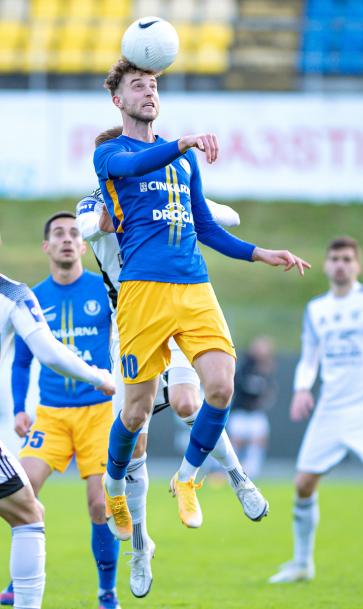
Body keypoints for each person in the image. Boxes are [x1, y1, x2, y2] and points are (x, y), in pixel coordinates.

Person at [93, 58, 310, 542]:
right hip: (143, 292)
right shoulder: (110, 154)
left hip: (194, 286)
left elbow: (206, 227)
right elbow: (133, 165)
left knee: (221, 387)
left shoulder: (184, 161)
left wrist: (260, 253)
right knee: (135, 413)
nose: (149, 92)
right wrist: (182, 142)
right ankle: (114, 485)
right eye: (137, 85)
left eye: (153, 84)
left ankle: (188, 477)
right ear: (118, 100)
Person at [76, 165, 270, 598]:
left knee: (188, 401)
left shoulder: (161, 193)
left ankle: (238, 478)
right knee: (135, 435)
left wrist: (192, 208)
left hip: (175, 309)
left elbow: (228, 216)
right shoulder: (94, 201)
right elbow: (87, 225)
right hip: (130, 321)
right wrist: (113, 217)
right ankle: (140, 548)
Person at [269, 236, 363, 589]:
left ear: (357, 265)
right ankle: (302, 564)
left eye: (347, 259)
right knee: (303, 484)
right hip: (330, 408)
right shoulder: (316, 309)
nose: (341, 265)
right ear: (327, 265)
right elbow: (309, 356)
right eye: (335, 259)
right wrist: (302, 388)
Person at [1, 213, 121, 609]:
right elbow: (22, 362)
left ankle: (107, 592)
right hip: (51, 414)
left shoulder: (104, 289)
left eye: (73, 234)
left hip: (98, 413)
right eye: (58, 234)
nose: (67, 239)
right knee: (22, 488)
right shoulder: (30, 296)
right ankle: (20, 581)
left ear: (84, 246)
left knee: (99, 503)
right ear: (46, 247)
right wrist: (21, 408)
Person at [228, 336, 275, 479]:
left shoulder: (267, 368)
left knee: (259, 439)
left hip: (256, 413)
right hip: (240, 412)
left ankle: (251, 471)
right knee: (236, 441)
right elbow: (240, 385)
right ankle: (232, 471)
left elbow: (268, 391)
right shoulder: (244, 366)